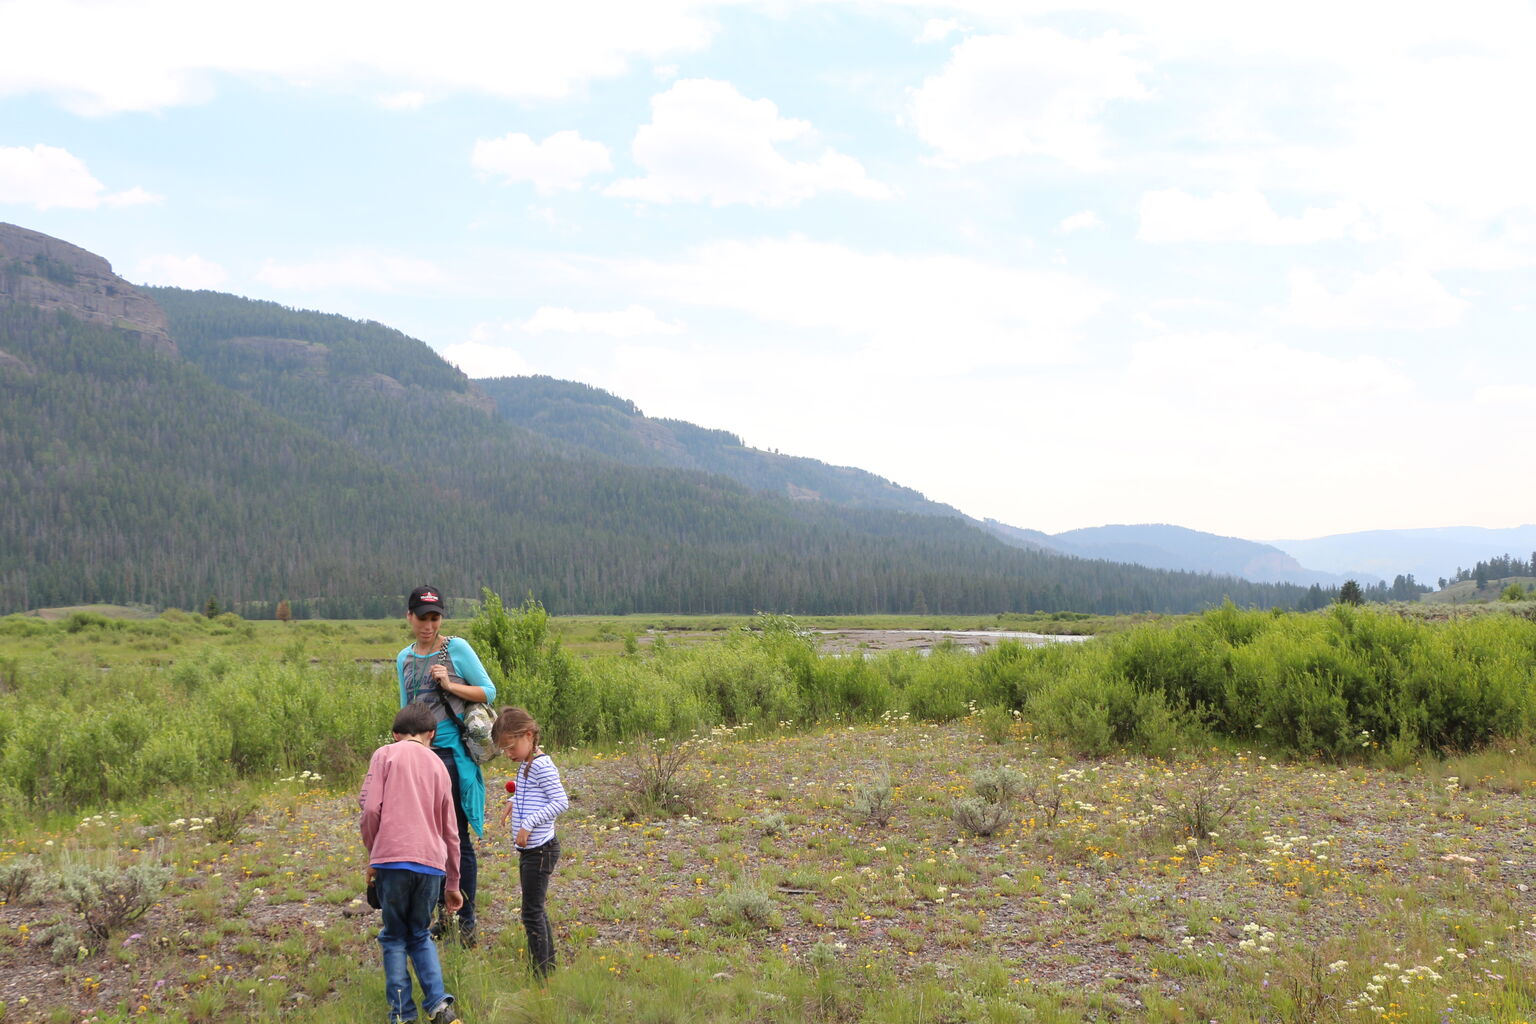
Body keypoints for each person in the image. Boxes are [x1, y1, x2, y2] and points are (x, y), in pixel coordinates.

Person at [396, 585, 497, 945]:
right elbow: (406, 709)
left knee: (457, 840)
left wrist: (450, 683)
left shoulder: (455, 648)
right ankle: (443, 917)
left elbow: (489, 691)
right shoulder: (403, 659)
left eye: (434, 617)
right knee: (429, 840)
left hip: (452, 758)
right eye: (422, 618)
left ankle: (465, 921)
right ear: (409, 617)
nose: (428, 625)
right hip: (418, 760)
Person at [359, 704, 465, 1024]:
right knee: (419, 934)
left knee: (393, 936)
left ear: (395, 734)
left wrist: (373, 853)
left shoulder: (385, 754)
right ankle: (439, 1007)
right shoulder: (438, 765)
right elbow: (451, 832)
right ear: (431, 734)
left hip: (391, 860)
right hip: (431, 864)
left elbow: (371, 811)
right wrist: (453, 884)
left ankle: (403, 1015)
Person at [493, 707, 569, 977]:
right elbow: (530, 794)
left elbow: (560, 801)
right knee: (534, 908)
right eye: (504, 750)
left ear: (528, 735)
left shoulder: (540, 765)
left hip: (541, 850)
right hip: (532, 850)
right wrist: (514, 802)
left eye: (510, 747)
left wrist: (528, 823)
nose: (508, 754)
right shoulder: (527, 763)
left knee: (531, 912)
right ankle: (546, 966)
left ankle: (542, 973)